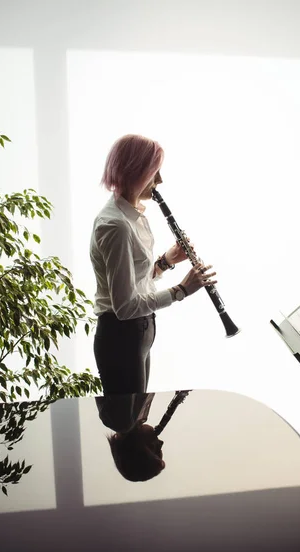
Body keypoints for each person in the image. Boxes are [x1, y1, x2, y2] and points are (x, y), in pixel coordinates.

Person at [90, 134, 217, 394]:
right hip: (121, 335)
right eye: (154, 172)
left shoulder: (134, 215)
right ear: (135, 172)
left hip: (138, 330)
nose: (159, 180)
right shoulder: (117, 226)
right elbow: (124, 307)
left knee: (136, 417)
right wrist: (180, 290)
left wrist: (165, 262)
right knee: (128, 424)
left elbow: (135, 280)